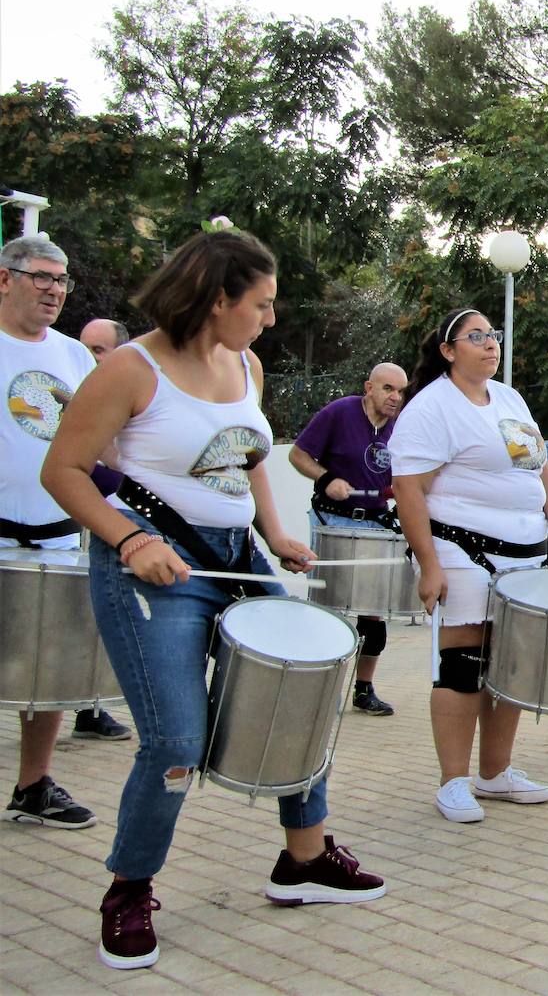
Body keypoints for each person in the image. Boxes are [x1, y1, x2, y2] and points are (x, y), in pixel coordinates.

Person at [42, 226, 385, 971]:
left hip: (236, 560)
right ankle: (129, 888)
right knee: (173, 741)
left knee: (302, 691)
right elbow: (64, 470)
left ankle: (305, 859)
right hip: (148, 572)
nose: (268, 319)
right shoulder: (129, 370)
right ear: (216, 298)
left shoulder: (247, 364)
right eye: (259, 304)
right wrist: (132, 541)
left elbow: (250, 456)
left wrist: (275, 530)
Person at [390, 307, 548, 823]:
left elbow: (537, 460)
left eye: (493, 335)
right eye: (476, 337)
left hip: (526, 552)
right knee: (463, 664)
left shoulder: (510, 397)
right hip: (462, 548)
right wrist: (429, 565)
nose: (491, 343)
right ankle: (453, 781)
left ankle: (495, 773)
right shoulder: (432, 407)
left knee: (510, 665)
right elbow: (408, 490)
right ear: (449, 351)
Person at [1, 235, 105, 827]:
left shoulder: (74, 358)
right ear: (4, 279)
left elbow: (105, 446)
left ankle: (33, 786)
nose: (54, 290)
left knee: (48, 669)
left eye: (61, 280)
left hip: (57, 534)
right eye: (41, 276)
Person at [289, 361, 408, 715]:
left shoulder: (402, 427)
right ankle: (320, 689)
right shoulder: (339, 412)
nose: (395, 398)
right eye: (388, 389)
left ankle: (363, 689)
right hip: (334, 520)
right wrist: (327, 479)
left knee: (374, 614)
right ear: (369, 387)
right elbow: (298, 454)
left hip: (378, 524)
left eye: (400, 391)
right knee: (331, 610)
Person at [71, 314, 136, 739]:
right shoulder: (72, 396)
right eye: (83, 347)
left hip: (111, 531)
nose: (87, 357)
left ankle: (88, 707)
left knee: (91, 621)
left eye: (97, 350)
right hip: (66, 528)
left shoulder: (134, 403)